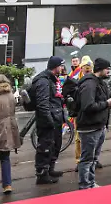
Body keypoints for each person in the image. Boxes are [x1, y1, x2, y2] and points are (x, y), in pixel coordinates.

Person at [76, 58, 111, 190]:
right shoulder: (90, 84)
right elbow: (88, 106)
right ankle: (85, 185)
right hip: (89, 127)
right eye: (107, 69)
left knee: (93, 158)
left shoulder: (99, 83)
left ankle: (90, 183)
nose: (109, 71)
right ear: (100, 69)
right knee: (87, 159)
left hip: (98, 125)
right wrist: (106, 104)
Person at [33, 56, 65, 185]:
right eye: (61, 65)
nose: (63, 68)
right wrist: (50, 121)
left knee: (54, 146)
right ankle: (42, 174)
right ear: (55, 67)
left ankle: (50, 169)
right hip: (48, 122)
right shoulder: (44, 81)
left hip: (55, 119)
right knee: (45, 147)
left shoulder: (52, 80)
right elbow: (42, 104)